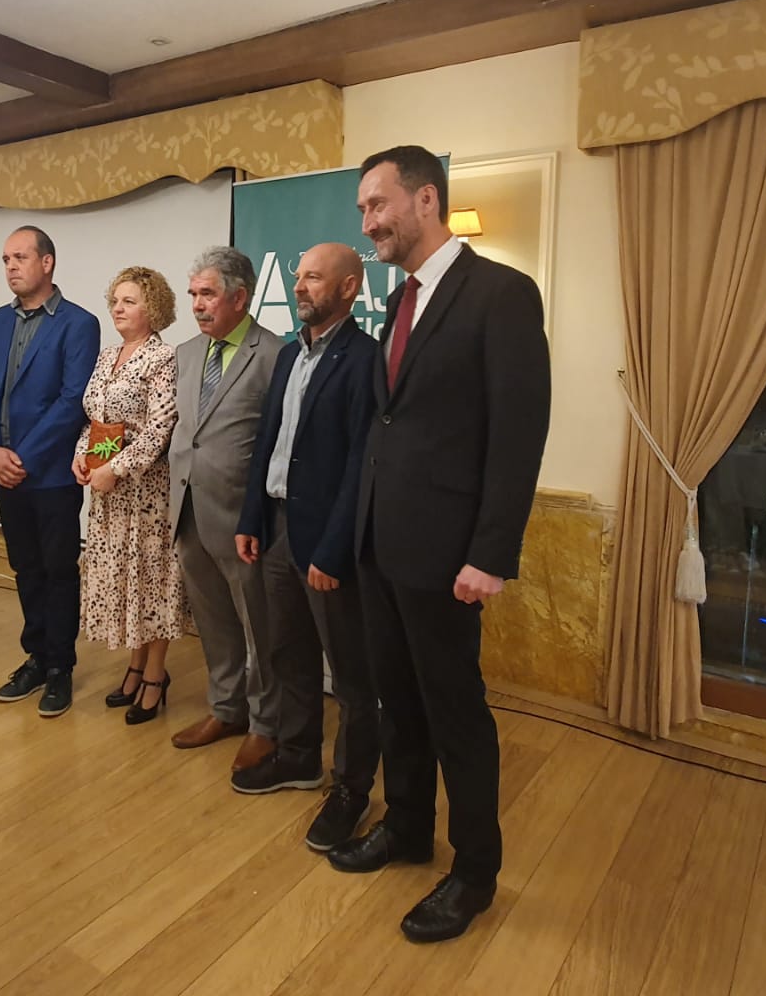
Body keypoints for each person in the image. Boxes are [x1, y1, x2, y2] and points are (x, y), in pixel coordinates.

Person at [326, 146, 549, 946]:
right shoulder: (398, 301)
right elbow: (390, 427)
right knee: (397, 700)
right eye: (362, 209)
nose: (367, 223)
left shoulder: (501, 294)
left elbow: (518, 434)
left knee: (456, 712)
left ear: (426, 200)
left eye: (377, 204)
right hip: (381, 545)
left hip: (450, 553)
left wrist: (491, 552)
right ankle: (408, 827)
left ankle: (475, 872)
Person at [235, 243, 381, 840]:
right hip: (276, 529)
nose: (299, 286)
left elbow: (362, 464)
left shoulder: (365, 359)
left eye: (314, 278)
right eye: (298, 277)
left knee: (350, 675)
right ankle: (298, 757)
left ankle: (351, 789)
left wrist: (334, 549)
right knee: (287, 653)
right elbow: (268, 441)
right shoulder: (291, 353)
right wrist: (250, 518)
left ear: (349, 287)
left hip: (326, 542)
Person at [0, 227, 100, 717]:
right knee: (24, 568)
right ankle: (36, 657)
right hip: (3, 469)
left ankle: (60, 667)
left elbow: (72, 401)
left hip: (49, 475)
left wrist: (19, 457)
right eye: (6, 258)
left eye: (20, 257)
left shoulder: (78, 324)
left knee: (58, 571)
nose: (10, 266)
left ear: (47, 263)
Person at [167, 246, 283, 772]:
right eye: (193, 293)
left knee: (259, 625)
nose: (197, 304)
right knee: (213, 621)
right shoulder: (187, 353)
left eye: (207, 294)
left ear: (240, 297)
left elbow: (276, 443)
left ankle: (265, 724)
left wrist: (259, 515)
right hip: (189, 510)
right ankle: (226, 709)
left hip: (243, 521)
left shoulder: (274, 354)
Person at [71, 267, 183, 726]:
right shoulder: (107, 356)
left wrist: (114, 469)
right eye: (115, 300)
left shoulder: (163, 358)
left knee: (151, 582)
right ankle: (135, 666)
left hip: (146, 493)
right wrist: (83, 457)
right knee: (126, 583)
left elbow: (160, 429)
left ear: (152, 308)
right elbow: (96, 420)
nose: (117, 308)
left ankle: (155, 675)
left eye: (129, 301)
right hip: (107, 494)